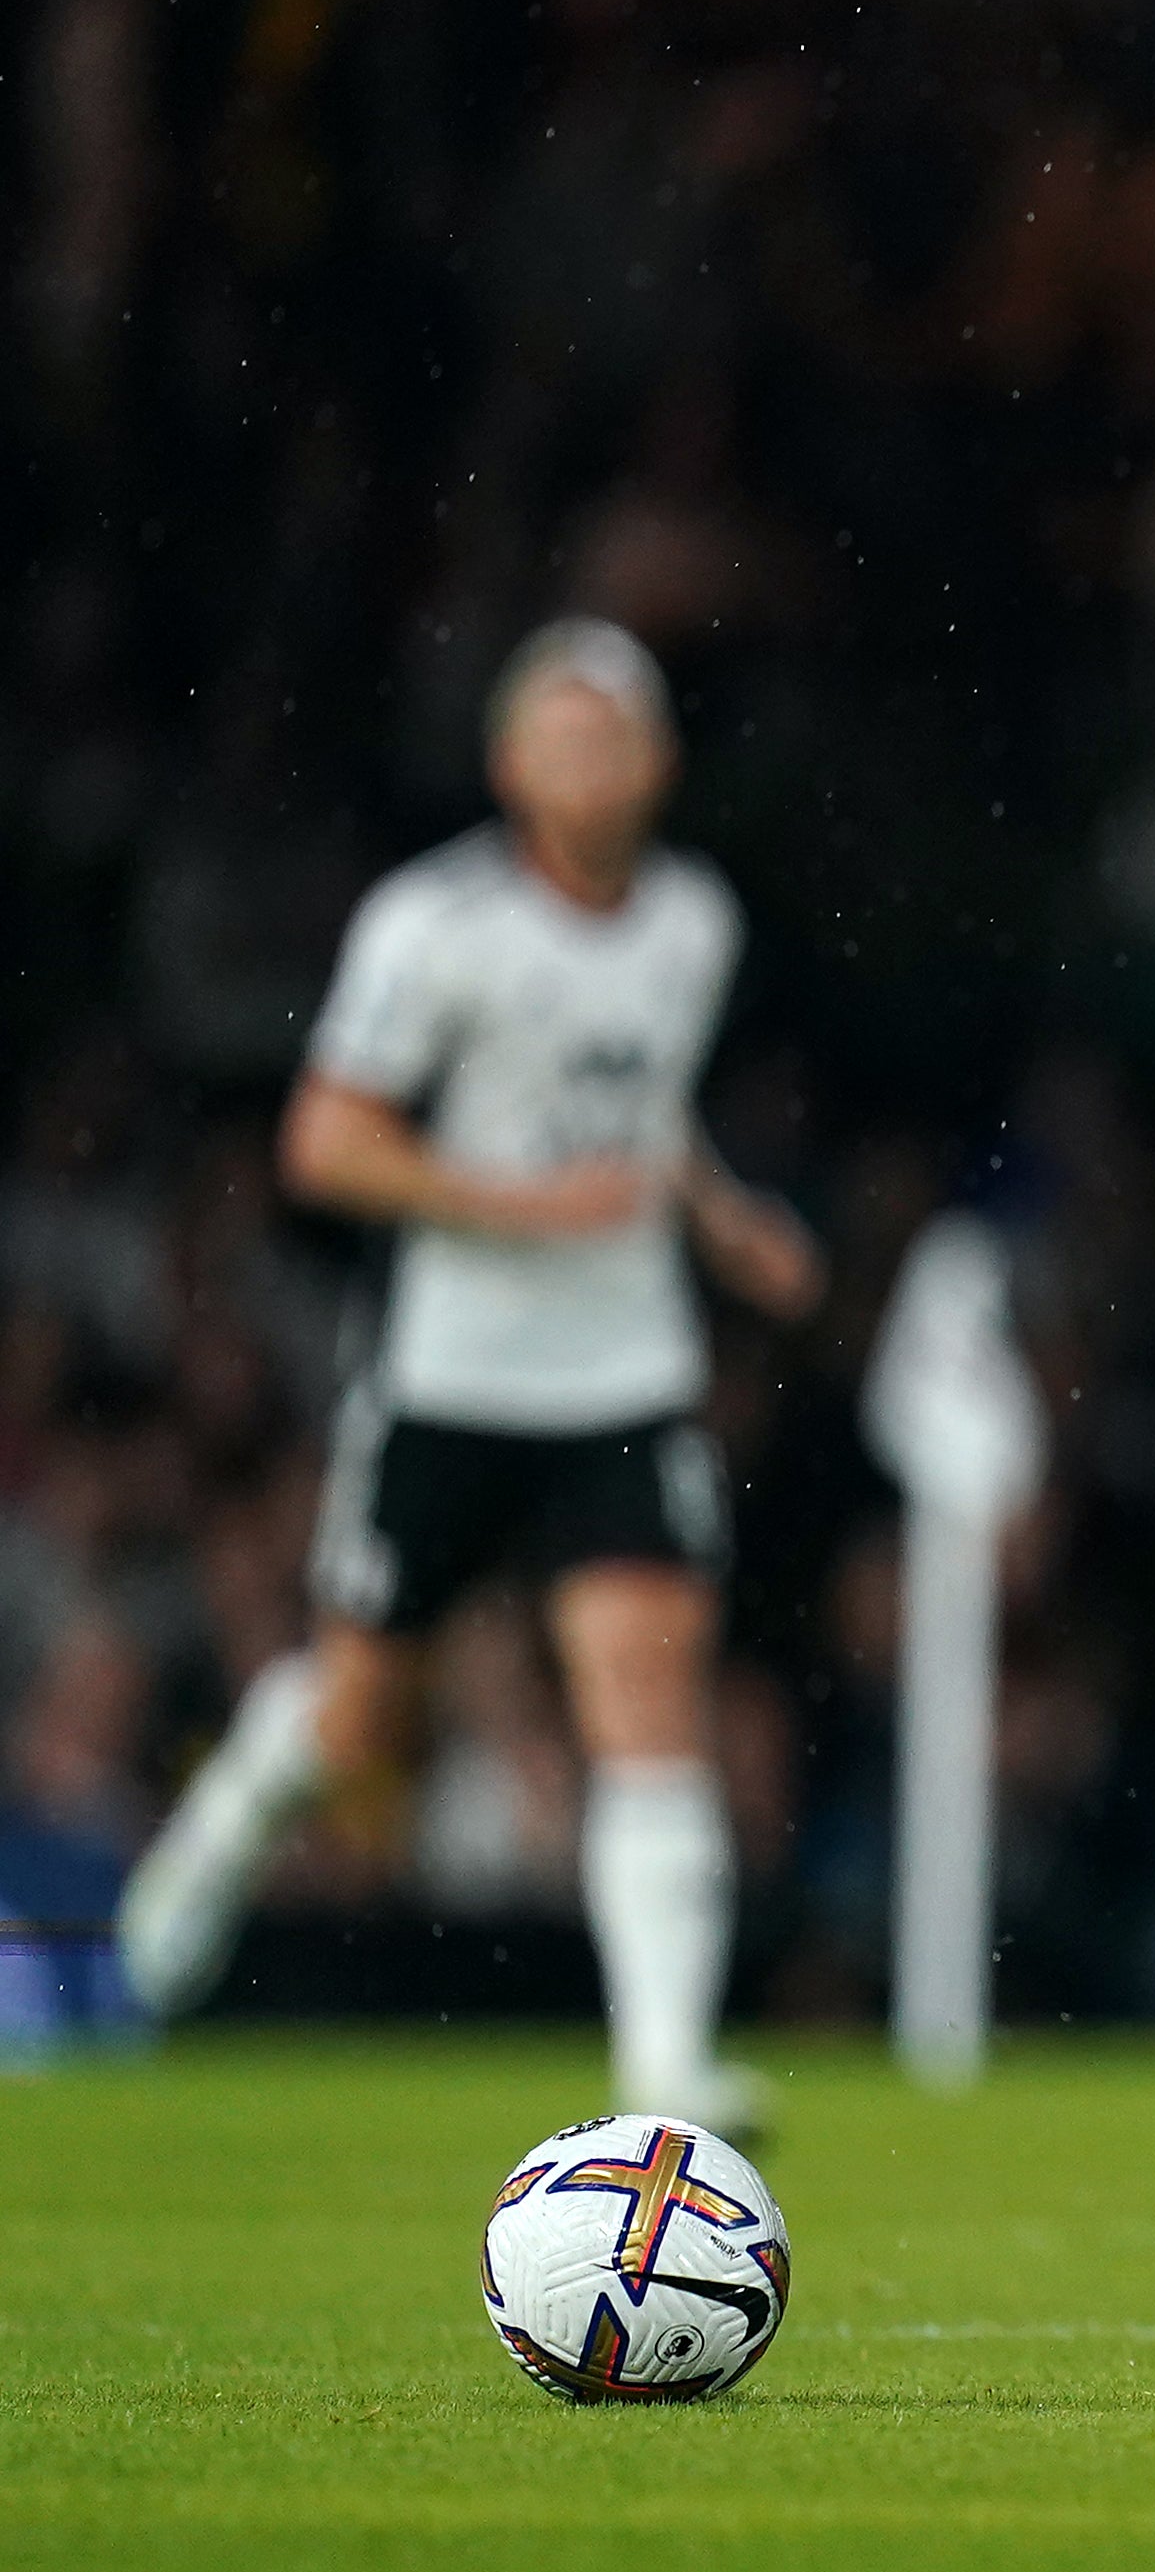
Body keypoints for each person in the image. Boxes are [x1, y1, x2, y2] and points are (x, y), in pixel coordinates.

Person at [119, 619, 822, 2137]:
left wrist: (727, 1223)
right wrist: (525, 1207)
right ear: (508, 764)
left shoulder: (693, 923)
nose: (592, 761)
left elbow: (647, 1113)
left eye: (616, 732)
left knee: (646, 1681)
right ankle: (224, 1829)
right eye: (561, 735)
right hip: (451, 1375)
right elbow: (326, 1140)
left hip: (625, 1373)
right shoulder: (433, 926)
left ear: (662, 761)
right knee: (366, 1710)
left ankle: (665, 2073)